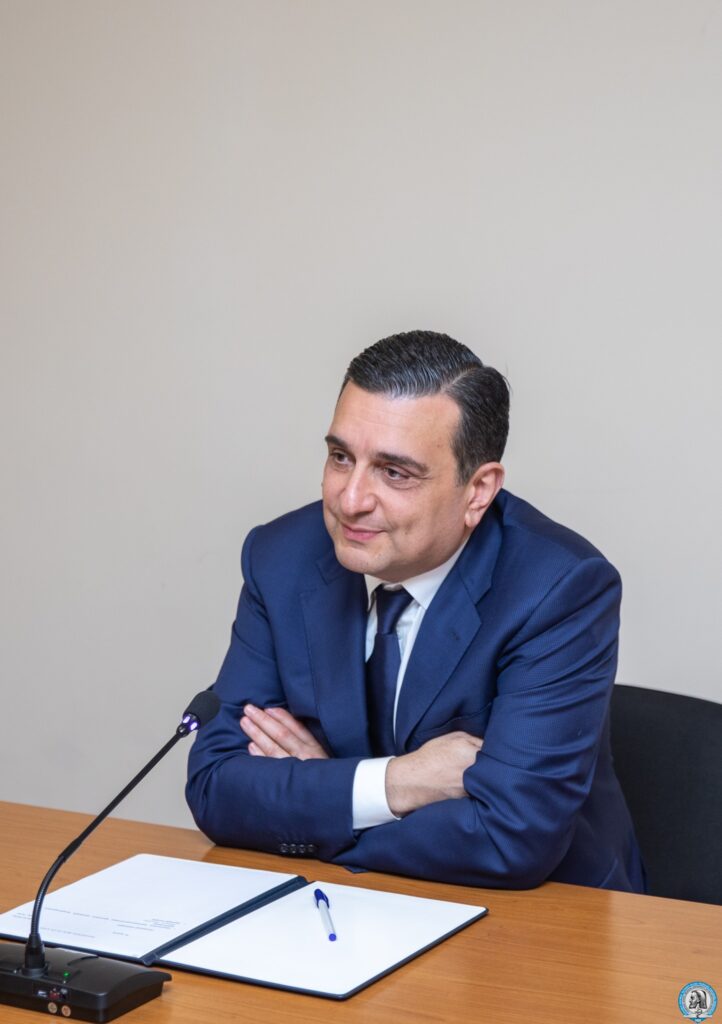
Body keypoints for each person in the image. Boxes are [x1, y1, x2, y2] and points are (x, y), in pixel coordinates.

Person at [186, 330, 645, 892]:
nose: (350, 499)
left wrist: (320, 800)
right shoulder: (283, 556)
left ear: (478, 491)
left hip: (545, 915)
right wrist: (395, 784)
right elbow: (215, 787)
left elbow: (510, 837)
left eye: (395, 472)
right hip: (342, 908)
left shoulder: (557, 588)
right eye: (340, 457)